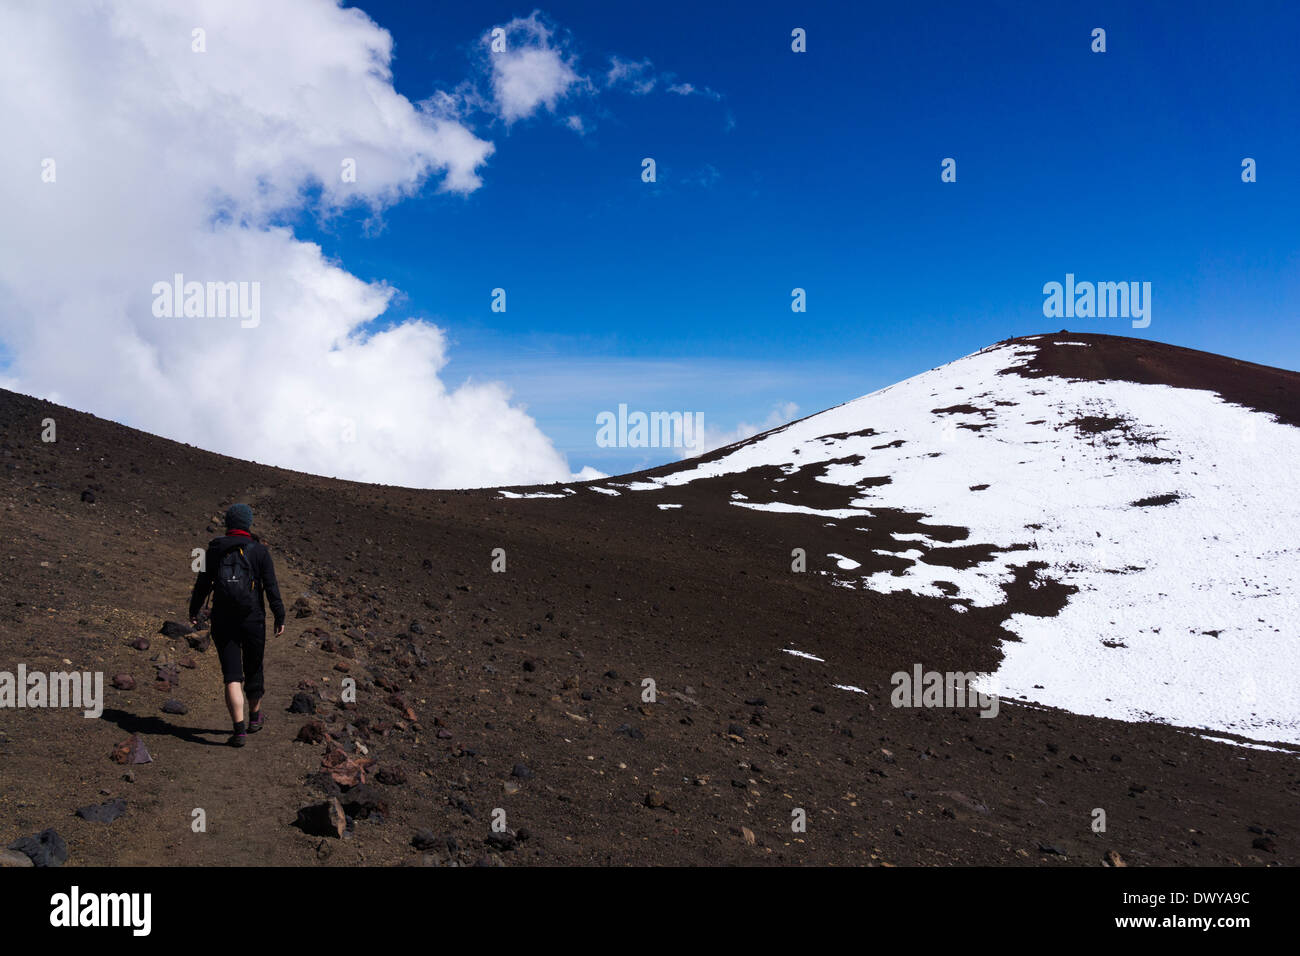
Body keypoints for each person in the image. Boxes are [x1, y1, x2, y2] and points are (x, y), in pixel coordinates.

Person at [188, 503, 285, 747]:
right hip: (253, 619)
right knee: (254, 668)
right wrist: (279, 616)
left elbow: (201, 586)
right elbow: (272, 587)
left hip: (223, 619)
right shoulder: (259, 551)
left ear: (228, 524)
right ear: (248, 523)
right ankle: (255, 718)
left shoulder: (214, 549)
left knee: (232, 675)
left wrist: (194, 611)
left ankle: (239, 731)